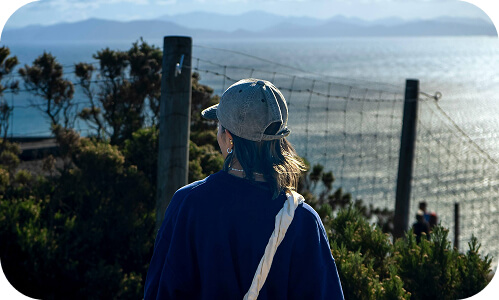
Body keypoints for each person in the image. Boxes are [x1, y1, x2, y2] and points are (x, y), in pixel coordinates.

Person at [144, 78, 344, 299]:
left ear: (229, 139)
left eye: (220, 127)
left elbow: (160, 291)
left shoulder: (188, 204)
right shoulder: (303, 220)